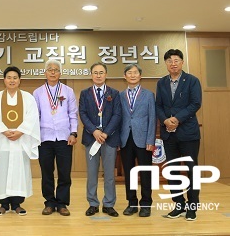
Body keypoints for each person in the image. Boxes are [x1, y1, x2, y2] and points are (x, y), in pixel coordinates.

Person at [0, 66, 40, 216]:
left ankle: (17, 204)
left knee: (19, 171)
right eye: (9, 77)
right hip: (2, 140)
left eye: (15, 78)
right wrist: (4, 131)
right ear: (4, 80)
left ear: (19, 80)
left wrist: (20, 132)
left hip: (21, 140)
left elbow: (32, 116)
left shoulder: (28, 97)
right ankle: (3, 204)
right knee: (1, 170)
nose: (12, 80)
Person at [155, 49, 202, 221]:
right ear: (166, 64)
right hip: (169, 134)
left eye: (176, 60)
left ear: (182, 62)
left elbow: (195, 103)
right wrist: (165, 120)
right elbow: (158, 105)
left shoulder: (192, 81)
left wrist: (177, 118)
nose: (173, 63)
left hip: (188, 133)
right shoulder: (161, 83)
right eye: (169, 61)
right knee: (173, 171)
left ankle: (192, 207)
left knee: (191, 171)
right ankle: (178, 204)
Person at [33, 59, 78, 216]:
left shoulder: (68, 91)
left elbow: (72, 114)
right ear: (45, 73)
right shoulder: (38, 92)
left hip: (64, 138)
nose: (53, 72)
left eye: (56, 69)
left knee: (64, 172)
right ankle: (49, 202)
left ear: (60, 73)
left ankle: (62, 203)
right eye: (49, 69)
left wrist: (73, 133)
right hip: (44, 138)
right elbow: (35, 116)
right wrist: (35, 136)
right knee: (47, 172)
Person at [79, 62, 121, 217]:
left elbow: (117, 114)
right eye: (95, 72)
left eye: (101, 72)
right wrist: (95, 131)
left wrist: (106, 132)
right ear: (91, 75)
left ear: (106, 74)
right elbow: (82, 113)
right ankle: (93, 203)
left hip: (109, 139)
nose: (98, 75)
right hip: (91, 138)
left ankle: (109, 204)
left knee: (109, 174)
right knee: (92, 173)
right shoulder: (85, 93)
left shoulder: (114, 93)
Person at [119, 64, 156, 217]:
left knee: (146, 173)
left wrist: (151, 139)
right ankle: (132, 203)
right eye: (129, 73)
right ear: (125, 76)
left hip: (143, 139)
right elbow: (118, 117)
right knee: (129, 173)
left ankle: (146, 204)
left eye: (135, 73)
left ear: (140, 76)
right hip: (125, 139)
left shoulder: (148, 95)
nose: (132, 75)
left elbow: (153, 118)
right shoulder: (120, 95)